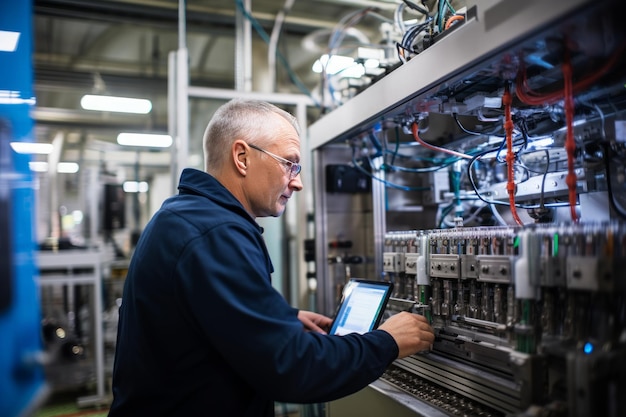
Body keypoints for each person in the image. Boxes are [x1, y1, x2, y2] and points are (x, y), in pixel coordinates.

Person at [108, 99, 434, 417]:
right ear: (242, 157)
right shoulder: (215, 233)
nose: (298, 182)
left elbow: (203, 317)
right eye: (289, 163)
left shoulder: (187, 216)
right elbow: (291, 368)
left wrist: (282, 319)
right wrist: (388, 342)